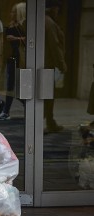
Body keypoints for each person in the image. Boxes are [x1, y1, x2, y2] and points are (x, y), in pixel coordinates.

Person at [0, 2, 26, 121]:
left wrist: (15, 38)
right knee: (10, 86)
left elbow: (30, 39)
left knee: (18, 87)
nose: (11, 13)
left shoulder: (23, 25)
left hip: (21, 59)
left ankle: (26, 106)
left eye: (14, 11)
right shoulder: (11, 25)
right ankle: (6, 111)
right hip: (11, 58)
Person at [44, 0, 67, 133]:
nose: (58, 11)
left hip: (44, 64)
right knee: (48, 96)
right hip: (47, 65)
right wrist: (61, 64)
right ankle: (50, 123)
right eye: (57, 8)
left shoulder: (44, 20)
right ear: (53, 8)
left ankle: (50, 122)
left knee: (46, 95)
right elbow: (55, 45)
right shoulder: (50, 22)